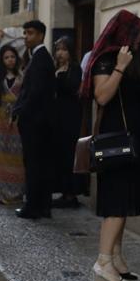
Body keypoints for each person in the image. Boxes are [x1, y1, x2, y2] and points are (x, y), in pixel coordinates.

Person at [85, 10, 140, 281]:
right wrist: (120, 66)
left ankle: (116, 260)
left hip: (132, 142)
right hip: (115, 144)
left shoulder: (133, 61)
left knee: (125, 203)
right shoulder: (108, 60)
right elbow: (102, 96)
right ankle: (102, 263)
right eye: (138, 34)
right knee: (116, 205)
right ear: (126, 35)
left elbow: (136, 98)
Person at [11, 20, 56, 219]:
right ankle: (43, 205)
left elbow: (35, 92)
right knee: (41, 164)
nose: (26, 37)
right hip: (40, 121)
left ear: (40, 35)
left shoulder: (40, 58)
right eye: (25, 33)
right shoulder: (38, 57)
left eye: (29, 33)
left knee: (34, 164)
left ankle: (33, 206)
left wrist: (20, 110)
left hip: (35, 123)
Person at [0, 44, 25, 205]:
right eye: (6, 57)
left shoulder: (22, 77)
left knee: (17, 157)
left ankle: (16, 193)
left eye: (12, 57)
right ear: (2, 60)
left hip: (17, 123)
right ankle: (2, 192)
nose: (10, 60)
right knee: (0, 156)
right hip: (0, 122)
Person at [51, 36, 83, 209]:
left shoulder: (75, 69)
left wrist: (58, 77)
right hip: (57, 116)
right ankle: (63, 191)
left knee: (70, 154)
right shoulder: (56, 68)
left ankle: (71, 193)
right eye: (58, 49)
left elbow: (72, 87)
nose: (60, 53)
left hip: (70, 117)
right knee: (60, 154)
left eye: (63, 49)